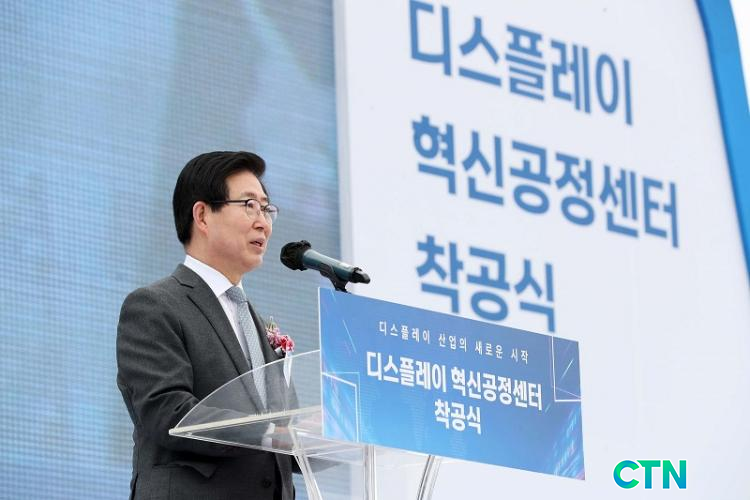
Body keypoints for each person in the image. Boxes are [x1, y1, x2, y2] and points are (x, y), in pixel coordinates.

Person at [116, 151, 295, 500]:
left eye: (267, 209)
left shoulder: (256, 323)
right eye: (249, 205)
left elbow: (286, 437)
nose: (263, 222)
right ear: (202, 215)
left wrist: (328, 430)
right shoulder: (154, 306)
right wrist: (266, 432)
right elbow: (169, 414)